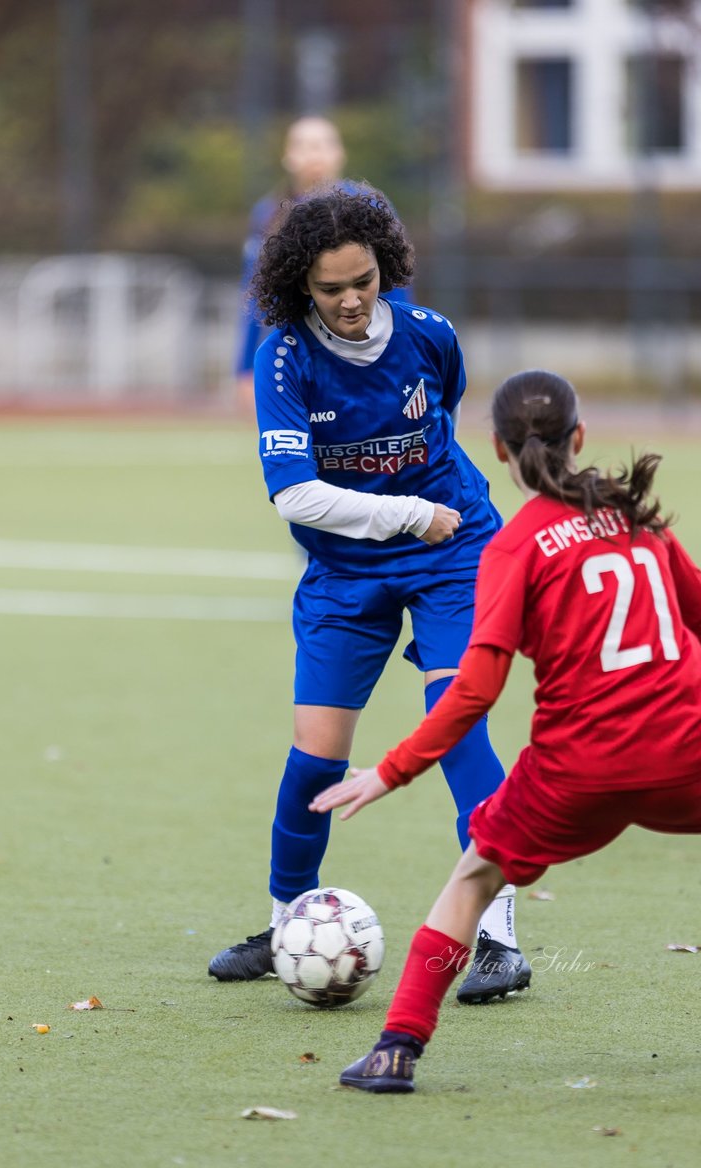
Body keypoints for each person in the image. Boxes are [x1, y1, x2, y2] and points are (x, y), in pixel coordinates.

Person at [310, 368, 701, 1093]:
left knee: (473, 878)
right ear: (580, 436)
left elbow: (474, 690)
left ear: (499, 450)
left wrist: (392, 770)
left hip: (576, 772)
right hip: (692, 752)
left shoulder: (513, 546)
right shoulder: (637, 519)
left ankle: (397, 1051)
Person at [209, 185, 532, 1002]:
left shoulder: (430, 335)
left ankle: (498, 938)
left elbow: (443, 415)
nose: (352, 300)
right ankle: (287, 924)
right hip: (349, 568)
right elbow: (295, 495)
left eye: (365, 280)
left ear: (385, 267)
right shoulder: (283, 358)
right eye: (332, 289)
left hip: (453, 552)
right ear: (299, 286)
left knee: (456, 725)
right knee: (317, 755)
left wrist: (429, 517)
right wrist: (405, 512)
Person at [234, 117, 410, 417]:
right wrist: (246, 367)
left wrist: (403, 350)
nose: (314, 154)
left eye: (323, 145)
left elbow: (397, 284)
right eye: (304, 146)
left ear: (340, 154)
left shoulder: (368, 204)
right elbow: (255, 292)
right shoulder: (268, 214)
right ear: (288, 156)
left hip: (361, 351)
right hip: (298, 354)